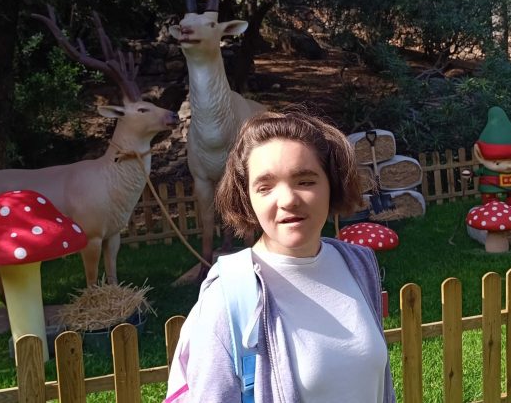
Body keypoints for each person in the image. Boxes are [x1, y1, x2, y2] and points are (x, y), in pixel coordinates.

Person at [165, 112, 395, 402]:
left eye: (305, 181)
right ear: (247, 197)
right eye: (265, 187)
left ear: (331, 183)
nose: (287, 200)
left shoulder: (358, 264)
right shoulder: (227, 297)